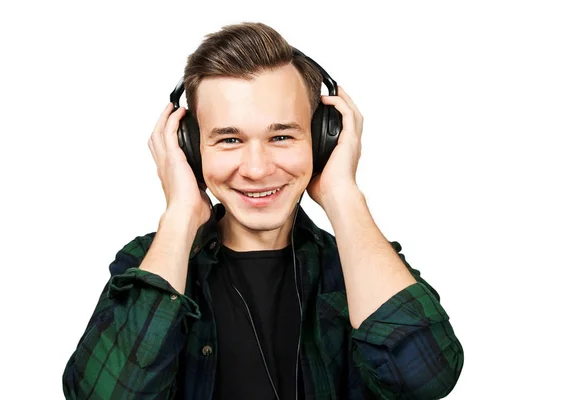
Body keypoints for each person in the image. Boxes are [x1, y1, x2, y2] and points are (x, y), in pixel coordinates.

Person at [63, 22, 463, 400]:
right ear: (188, 147)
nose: (256, 169)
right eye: (230, 139)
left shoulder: (357, 267)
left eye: (282, 135)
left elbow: (425, 381)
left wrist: (343, 194)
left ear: (324, 139)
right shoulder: (150, 261)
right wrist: (181, 213)